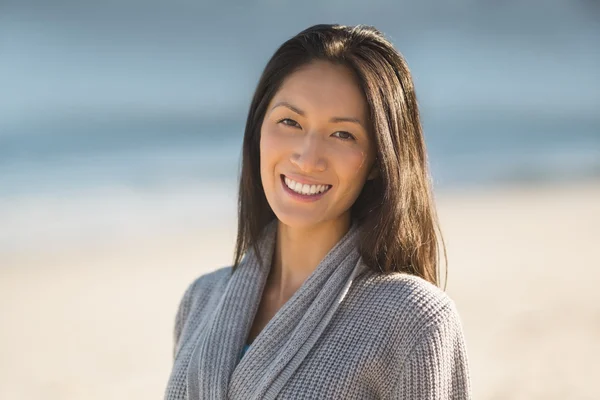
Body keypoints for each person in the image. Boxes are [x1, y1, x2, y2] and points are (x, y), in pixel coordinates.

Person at [164, 24, 471, 399]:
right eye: (290, 122)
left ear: (378, 160)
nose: (307, 158)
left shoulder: (414, 319)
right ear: (259, 130)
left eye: (343, 134)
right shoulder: (202, 300)